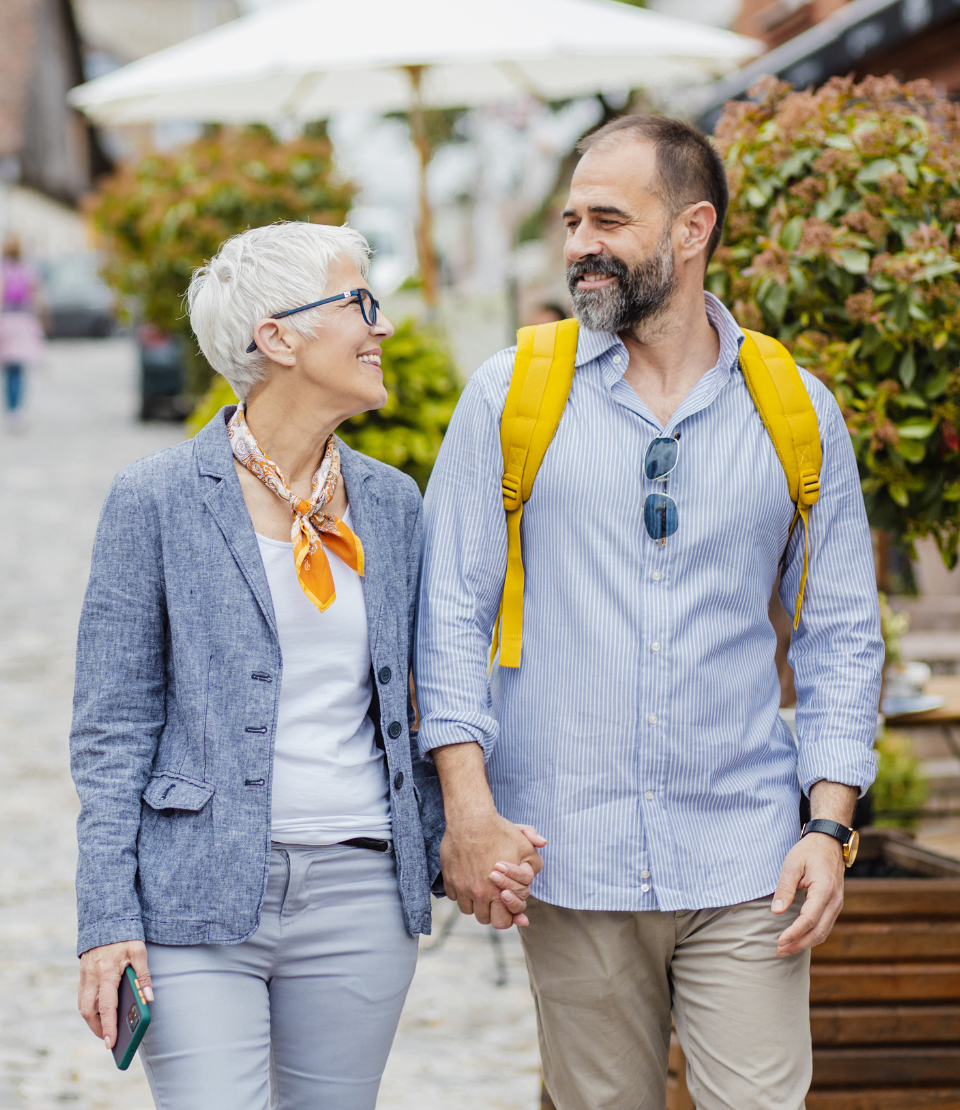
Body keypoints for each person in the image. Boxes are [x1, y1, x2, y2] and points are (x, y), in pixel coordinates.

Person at [414, 115, 882, 1109]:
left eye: (609, 219)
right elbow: (448, 612)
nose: (580, 242)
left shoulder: (796, 411)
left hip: (749, 859)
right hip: (567, 856)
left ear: (690, 230)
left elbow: (844, 631)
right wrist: (469, 810)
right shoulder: (510, 397)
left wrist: (828, 826)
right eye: (573, 219)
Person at [71, 221, 525, 1110]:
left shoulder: (393, 503)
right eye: (359, 303)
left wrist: (464, 833)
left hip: (360, 890)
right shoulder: (155, 499)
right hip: (196, 892)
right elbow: (112, 728)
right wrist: (107, 920)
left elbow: (431, 684)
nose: (380, 327)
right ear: (277, 336)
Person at [0, 235, 45, 427]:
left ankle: (10, 408)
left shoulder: (3, 271)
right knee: (18, 368)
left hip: (6, 320)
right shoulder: (28, 270)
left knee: (8, 368)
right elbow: (36, 298)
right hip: (23, 321)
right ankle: (16, 410)